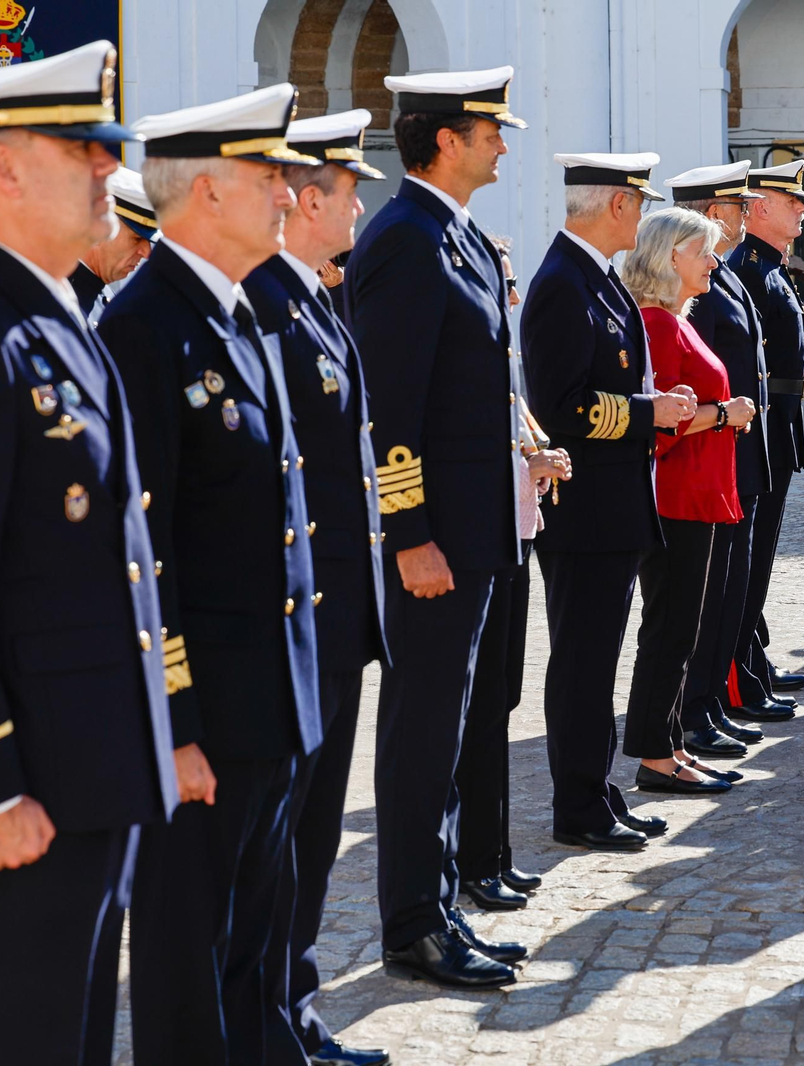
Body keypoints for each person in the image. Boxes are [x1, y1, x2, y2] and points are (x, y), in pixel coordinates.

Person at [0, 41, 180, 1066]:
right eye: (86, 145)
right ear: (3, 167)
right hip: (26, 776)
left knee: (71, 1036)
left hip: (88, 758)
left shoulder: (56, 315)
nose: (112, 166)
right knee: (15, 1039)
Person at [99, 84, 323, 1065]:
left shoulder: (238, 314)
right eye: (267, 176)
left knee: (255, 936)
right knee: (190, 954)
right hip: (207, 717)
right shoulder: (145, 327)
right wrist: (173, 724)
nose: (288, 194)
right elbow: (143, 557)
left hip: (269, 700)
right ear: (205, 193)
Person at [343, 65, 529, 990]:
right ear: (447, 139)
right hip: (436, 545)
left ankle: (441, 904)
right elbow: (390, 410)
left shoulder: (451, 236)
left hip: (472, 535)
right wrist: (409, 532)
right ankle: (412, 923)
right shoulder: (408, 241)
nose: (504, 143)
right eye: (492, 131)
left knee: (449, 728)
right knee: (422, 732)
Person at [240, 109, 392, 1066]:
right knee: (283, 838)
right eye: (344, 191)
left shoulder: (310, 298)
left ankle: (290, 1002)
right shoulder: (263, 303)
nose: (356, 206)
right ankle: (269, 1014)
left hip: (331, 609)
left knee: (314, 829)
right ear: (301, 203)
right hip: (299, 614)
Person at [522, 152, 694, 852]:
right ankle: (578, 807)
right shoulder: (564, 283)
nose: (642, 213)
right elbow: (561, 406)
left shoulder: (595, 279)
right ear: (618, 205)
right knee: (583, 665)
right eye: (639, 200)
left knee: (599, 662)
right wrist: (647, 413)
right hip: (584, 508)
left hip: (612, 505)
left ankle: (597, 790)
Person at [620, 206, 756, 795]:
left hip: (697, 491)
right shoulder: (656, 321)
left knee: (683, 629)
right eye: (703, 251)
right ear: (671, 255)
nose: (713, 261)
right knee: (670, 629)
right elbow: (659, 419)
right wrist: (725, 414)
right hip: (675, 494)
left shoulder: (679, 316)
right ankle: (655, 755)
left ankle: (671, 744)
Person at [455, 233, 570, 906]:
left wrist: (539, 459)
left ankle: (494, 852)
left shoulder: (502, 359)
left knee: (502, 701)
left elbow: (517, 434)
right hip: (488, 536)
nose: (516, 294)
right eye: (504, 280)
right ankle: (475, 860)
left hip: (516, 533)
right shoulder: (477, 357)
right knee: (480, 709)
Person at [670, 160, 772, 760]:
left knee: (731, 587)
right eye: (738, 205)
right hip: (713, 452)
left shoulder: (725, 275)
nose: (745, 214)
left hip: (740, 450)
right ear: (713, 212)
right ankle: (696, 707)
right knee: (710, 593)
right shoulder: (702, 285)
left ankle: (707, 701)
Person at [725, 159, 804, 724]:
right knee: (749, 555)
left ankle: (752, 655)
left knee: (762, 554)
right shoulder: (746, 269)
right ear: (759, 206)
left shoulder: (771, 267)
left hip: (777, 422)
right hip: (756, 424)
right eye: (792, 202)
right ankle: (739, 671)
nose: (803, 209)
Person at [69, 165, 156, 324]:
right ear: (100, 225)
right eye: (136, 239)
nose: (146, 253)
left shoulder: (102, 295)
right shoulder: (64, 299)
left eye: (148, 241)